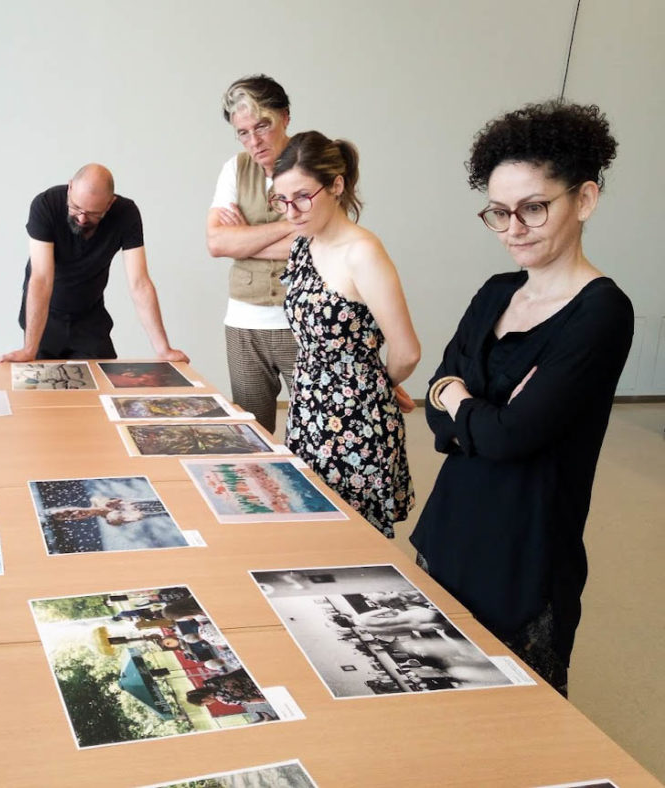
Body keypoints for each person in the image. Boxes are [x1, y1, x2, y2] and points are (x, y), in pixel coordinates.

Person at [410, 102, 633, 697]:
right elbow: (437, 404)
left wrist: (461, 400)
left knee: (516, 722)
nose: (514, 228)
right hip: (449, 532)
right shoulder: (496, 291)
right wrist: (472, 408)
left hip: (525, 555)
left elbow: (513, 436)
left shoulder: (602, 312)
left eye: (534, 207)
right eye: (499, 212)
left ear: (583, 200)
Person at [271, 131, 420, 537]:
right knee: (309, 527)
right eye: (282, 200)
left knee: (352, 540)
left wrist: (376, 385)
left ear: (336, 185)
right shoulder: (305, 244)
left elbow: (406, 351)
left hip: (354, 420)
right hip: (308, 408)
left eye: (302, 196)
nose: (292, 210)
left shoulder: (363, 253)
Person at [0, 164, 187, 363]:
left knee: (101, 385)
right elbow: (41, 278)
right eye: (76, 207)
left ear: (109, 204)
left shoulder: (126, 214)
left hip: (89, 318)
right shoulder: (46, 205)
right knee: (42, 389)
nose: (81, 218)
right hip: (46, 317)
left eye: (92, 213)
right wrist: (29, 350)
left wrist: (164, 349)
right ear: (70, 188)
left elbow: (139, 283)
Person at [206, 75, 301, 433]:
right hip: (244, 321)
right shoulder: (234, 168)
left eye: (263, 126)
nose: (255, 141)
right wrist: (290, 226)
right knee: (252, 434)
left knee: (314, 433)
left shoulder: (313, 163)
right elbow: (217, 243)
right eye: (243, 132)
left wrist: (245, 236)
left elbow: (320, 241)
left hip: (302, 321)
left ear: (285, 117)